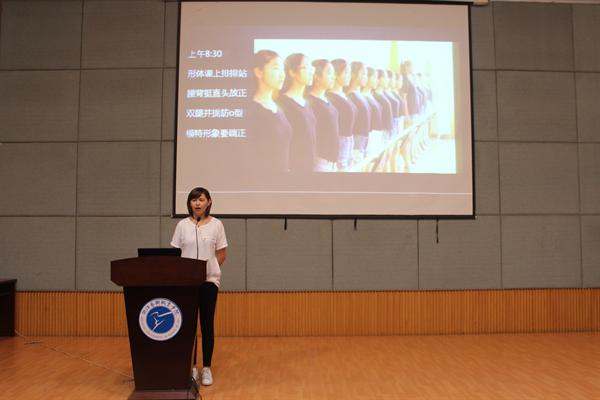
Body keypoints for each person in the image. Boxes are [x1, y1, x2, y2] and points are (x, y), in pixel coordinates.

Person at [171, 187, 227, 386]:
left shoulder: (217, 225)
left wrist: (208, 269)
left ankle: (207, 368)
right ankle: (192, 366)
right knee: (189, 326)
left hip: (209, 281)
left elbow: (221, 254)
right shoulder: (182, 225)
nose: (197, 203)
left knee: (206, 324)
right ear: (189, 203)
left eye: (201, 199)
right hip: (186, 283)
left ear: (208, 202)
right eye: (194, 200)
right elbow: (175, 255)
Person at [248, 50, 292, 173]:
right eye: (276, 68)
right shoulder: (253, 111)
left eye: (283, 69)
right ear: (258, 72)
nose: (282, 75)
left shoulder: (278, 107)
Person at [277, 53, 317, 172]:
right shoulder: (283, 103)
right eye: (305, 67)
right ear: (292, 72)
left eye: (311, 67)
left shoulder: (306, 102)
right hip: (296, 170)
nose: (311, 72)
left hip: (310, 168)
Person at [307, 59, 339, 172]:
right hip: (320, 161)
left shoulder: (328, 99)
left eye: (334, 73)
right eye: (329, 73)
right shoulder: (310, 102)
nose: (333, 77)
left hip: (333, 162)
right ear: (317, 77)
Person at [327, 59, 356, 170]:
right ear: (336, 74)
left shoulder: (345, 95)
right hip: (340, 142)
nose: (349, 76)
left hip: (350, 140)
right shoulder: (331, 97)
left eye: (350, 73)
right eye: (346, 73)